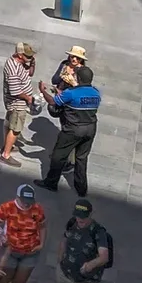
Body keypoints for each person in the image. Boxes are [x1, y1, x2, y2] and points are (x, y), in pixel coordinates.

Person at [39, 65, 102, 197]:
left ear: (78, 78)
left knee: (58, 156)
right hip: (90, 128)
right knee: (81, 158)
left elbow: (53, 102)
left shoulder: (71, 93)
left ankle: (51, 183)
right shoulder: (96, 93)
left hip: (73, 129)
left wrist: (43, 91)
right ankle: (81, 188)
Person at [56, 199, 113, 283]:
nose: (79, 220)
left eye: (83, 217)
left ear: (90, 215)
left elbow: (104, 257)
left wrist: (90, 265)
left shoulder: (98, 232)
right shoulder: (72, 223)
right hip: (64, 274)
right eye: (77, 216)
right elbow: (65, 238)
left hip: (84, 281)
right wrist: (60, 257)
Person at [0, 185, 47, 283]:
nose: (27, 203)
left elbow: (43, 226)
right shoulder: (7, 207)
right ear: (18, 197)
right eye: (24, 200)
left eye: (29, 200)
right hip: (10, 252)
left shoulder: (38, 209)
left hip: (30, 253)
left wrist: (42, 243)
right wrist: (2, 241)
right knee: (3, 280)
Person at [0, 43, 39, 164]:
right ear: (20, 55)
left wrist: (32, 64)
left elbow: (29, 73)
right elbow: (15, 91)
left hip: (17, 102)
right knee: (16, 128)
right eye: (28, 56)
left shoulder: (19, 63)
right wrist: (28, 98)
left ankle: (8, 145)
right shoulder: (13, 69)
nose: (30, 58)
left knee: (10, 123)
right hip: (17, 103)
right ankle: (5, 155)